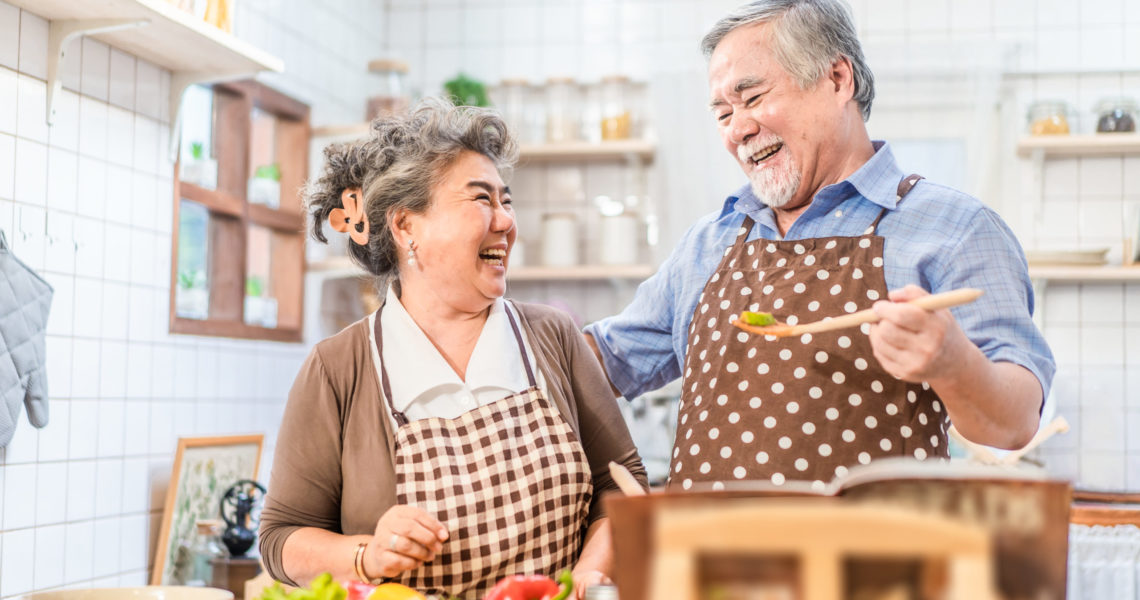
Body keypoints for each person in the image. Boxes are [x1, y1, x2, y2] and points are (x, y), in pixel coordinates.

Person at [584, 0, 1054, 491]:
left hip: (871, 566)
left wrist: (952, 362)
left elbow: (1015, 424)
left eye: (753, 97)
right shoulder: (709, 242)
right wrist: (505, 321)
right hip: (704, 566)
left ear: (837, 79)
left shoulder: (958, 228)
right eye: (723, 113)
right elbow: (603, 363)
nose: (737, 129)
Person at [259, 97, 647, 600]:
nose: (507, 222)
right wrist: (365, 554)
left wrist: (592, 574)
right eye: (482, 199)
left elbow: (620, 483)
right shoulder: (338, 369)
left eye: (506, 201)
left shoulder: (553, 336)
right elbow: (281, 537)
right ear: (405, 228)